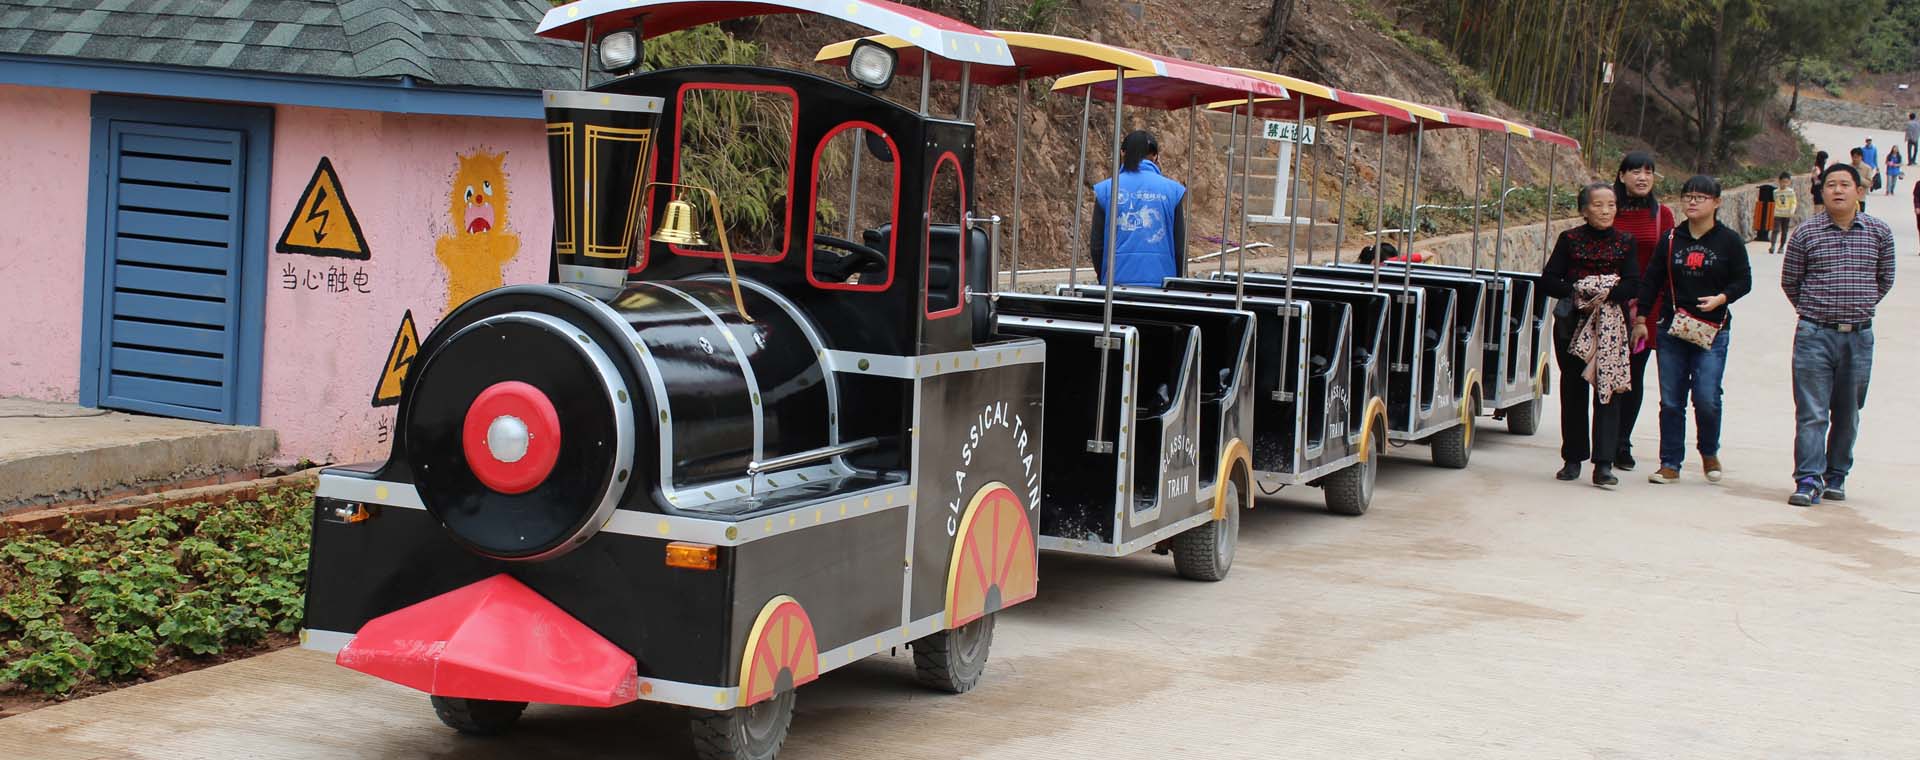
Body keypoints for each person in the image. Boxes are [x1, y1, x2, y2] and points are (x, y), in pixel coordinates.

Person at [1781, 164, 1896, 506]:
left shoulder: (1879, 232)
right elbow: (1791, 282)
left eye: (1845, 184)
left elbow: (1885, 279)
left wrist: (1857, 307)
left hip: (1858, 337)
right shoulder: (1805, 232)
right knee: (1812, 411)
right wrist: (1817, 311)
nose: (1838, 190)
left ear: (1859, 191)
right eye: (1831, 184)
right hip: (1814, 334)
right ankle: (1808, 479)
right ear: (1822, 191)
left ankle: (1836, 476)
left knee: (1848, 411)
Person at [1641, 175, 1752, 486]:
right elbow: (1652, 280)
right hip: (1672, 327)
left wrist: (1722, 297)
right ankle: (1669, 463)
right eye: (1687, 196)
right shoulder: (1671, 239)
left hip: (1713, 330)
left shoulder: (1729, 241)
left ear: (1716, 203)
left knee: (1706, 396)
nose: (1692, 202)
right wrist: (1641, 318)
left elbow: (1744, 280)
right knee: (1671, 400)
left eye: (1700, 197)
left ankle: (1709, 451)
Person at [1542, 183, 1639, 487]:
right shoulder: (1569, 239)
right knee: (1572, 390)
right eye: (1598, 205)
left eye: (1611, 204)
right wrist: (1579, 290)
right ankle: (1572, 459)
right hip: (1572, 324)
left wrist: (1606, 292)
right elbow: (1548, 280)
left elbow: (1633, 283)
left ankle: (1604, 464)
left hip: (1611, 328)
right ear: (1584, 210)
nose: (1606, 211)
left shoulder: (1626, 242)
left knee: (1608, 390)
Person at [1608, 151, 1673, 470]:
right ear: (1622, 176)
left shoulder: (1663, 215)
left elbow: (1667, 264)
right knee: (1606, 372)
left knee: (1634, 373)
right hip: (1609, 303)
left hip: (1646, 309)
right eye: (1635, 171)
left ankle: (1622, 441)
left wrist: (1653, 308)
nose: (1643, 177)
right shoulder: (1608, 208)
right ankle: (1604, 437)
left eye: (1649, 171)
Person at [1090, 130, 1187, 286]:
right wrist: (1177, 282)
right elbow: (1180, 248)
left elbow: (1097, 246)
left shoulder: (1107, 190)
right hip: (1162, 285)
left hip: (1116, 284)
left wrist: (1104, 277)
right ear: (1155, 156)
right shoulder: (1172, 191)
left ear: (1123, 153)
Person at [1771, 172, 1798, 255]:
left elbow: (1793, 202)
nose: (1784, 184)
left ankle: (1781, 247)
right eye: (1783, 182)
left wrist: (1792, 210)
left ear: (1789, 182)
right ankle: (1772, 246)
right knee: (1775, 230)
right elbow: (1775, 200)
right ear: (1779, 181)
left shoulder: (1791, 192)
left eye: (1786, 182)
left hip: (1787, 214)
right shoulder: (1775, 192)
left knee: (1784, 231)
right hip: (1778, 213)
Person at [1850, 148, 1874, 213]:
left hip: (1860, 198)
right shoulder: (1848, 167)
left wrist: (1859, 178)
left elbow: (1870, 183)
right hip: (1849, 198)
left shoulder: (1867, 168)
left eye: (1857, 157)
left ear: (1861, 157)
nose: (1855, 159)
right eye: (1853, 157)